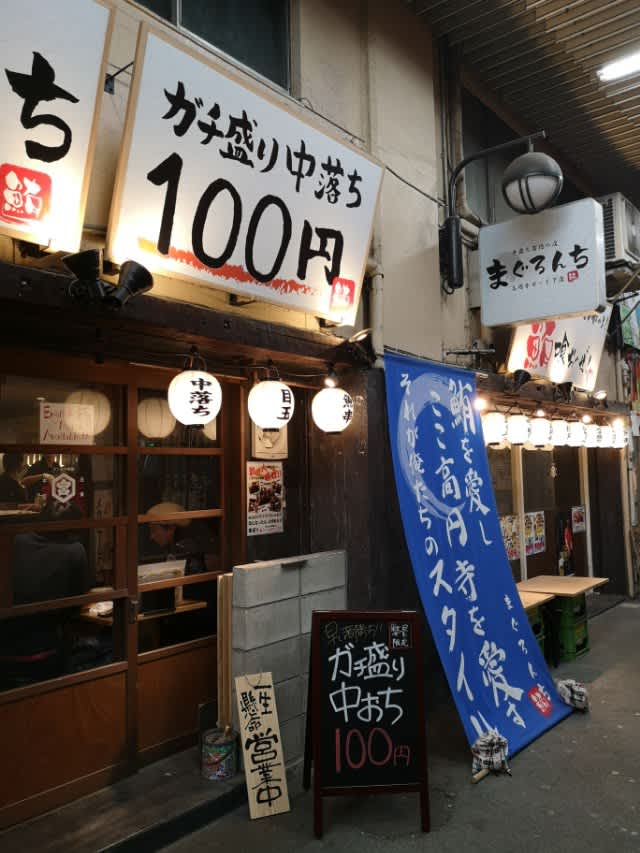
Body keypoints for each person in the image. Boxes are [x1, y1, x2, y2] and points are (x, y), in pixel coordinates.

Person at [146, 502, 206, 573]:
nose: (152, 536)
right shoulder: (167, 547)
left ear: (171, 529)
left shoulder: (186, 550)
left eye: (154, 530)